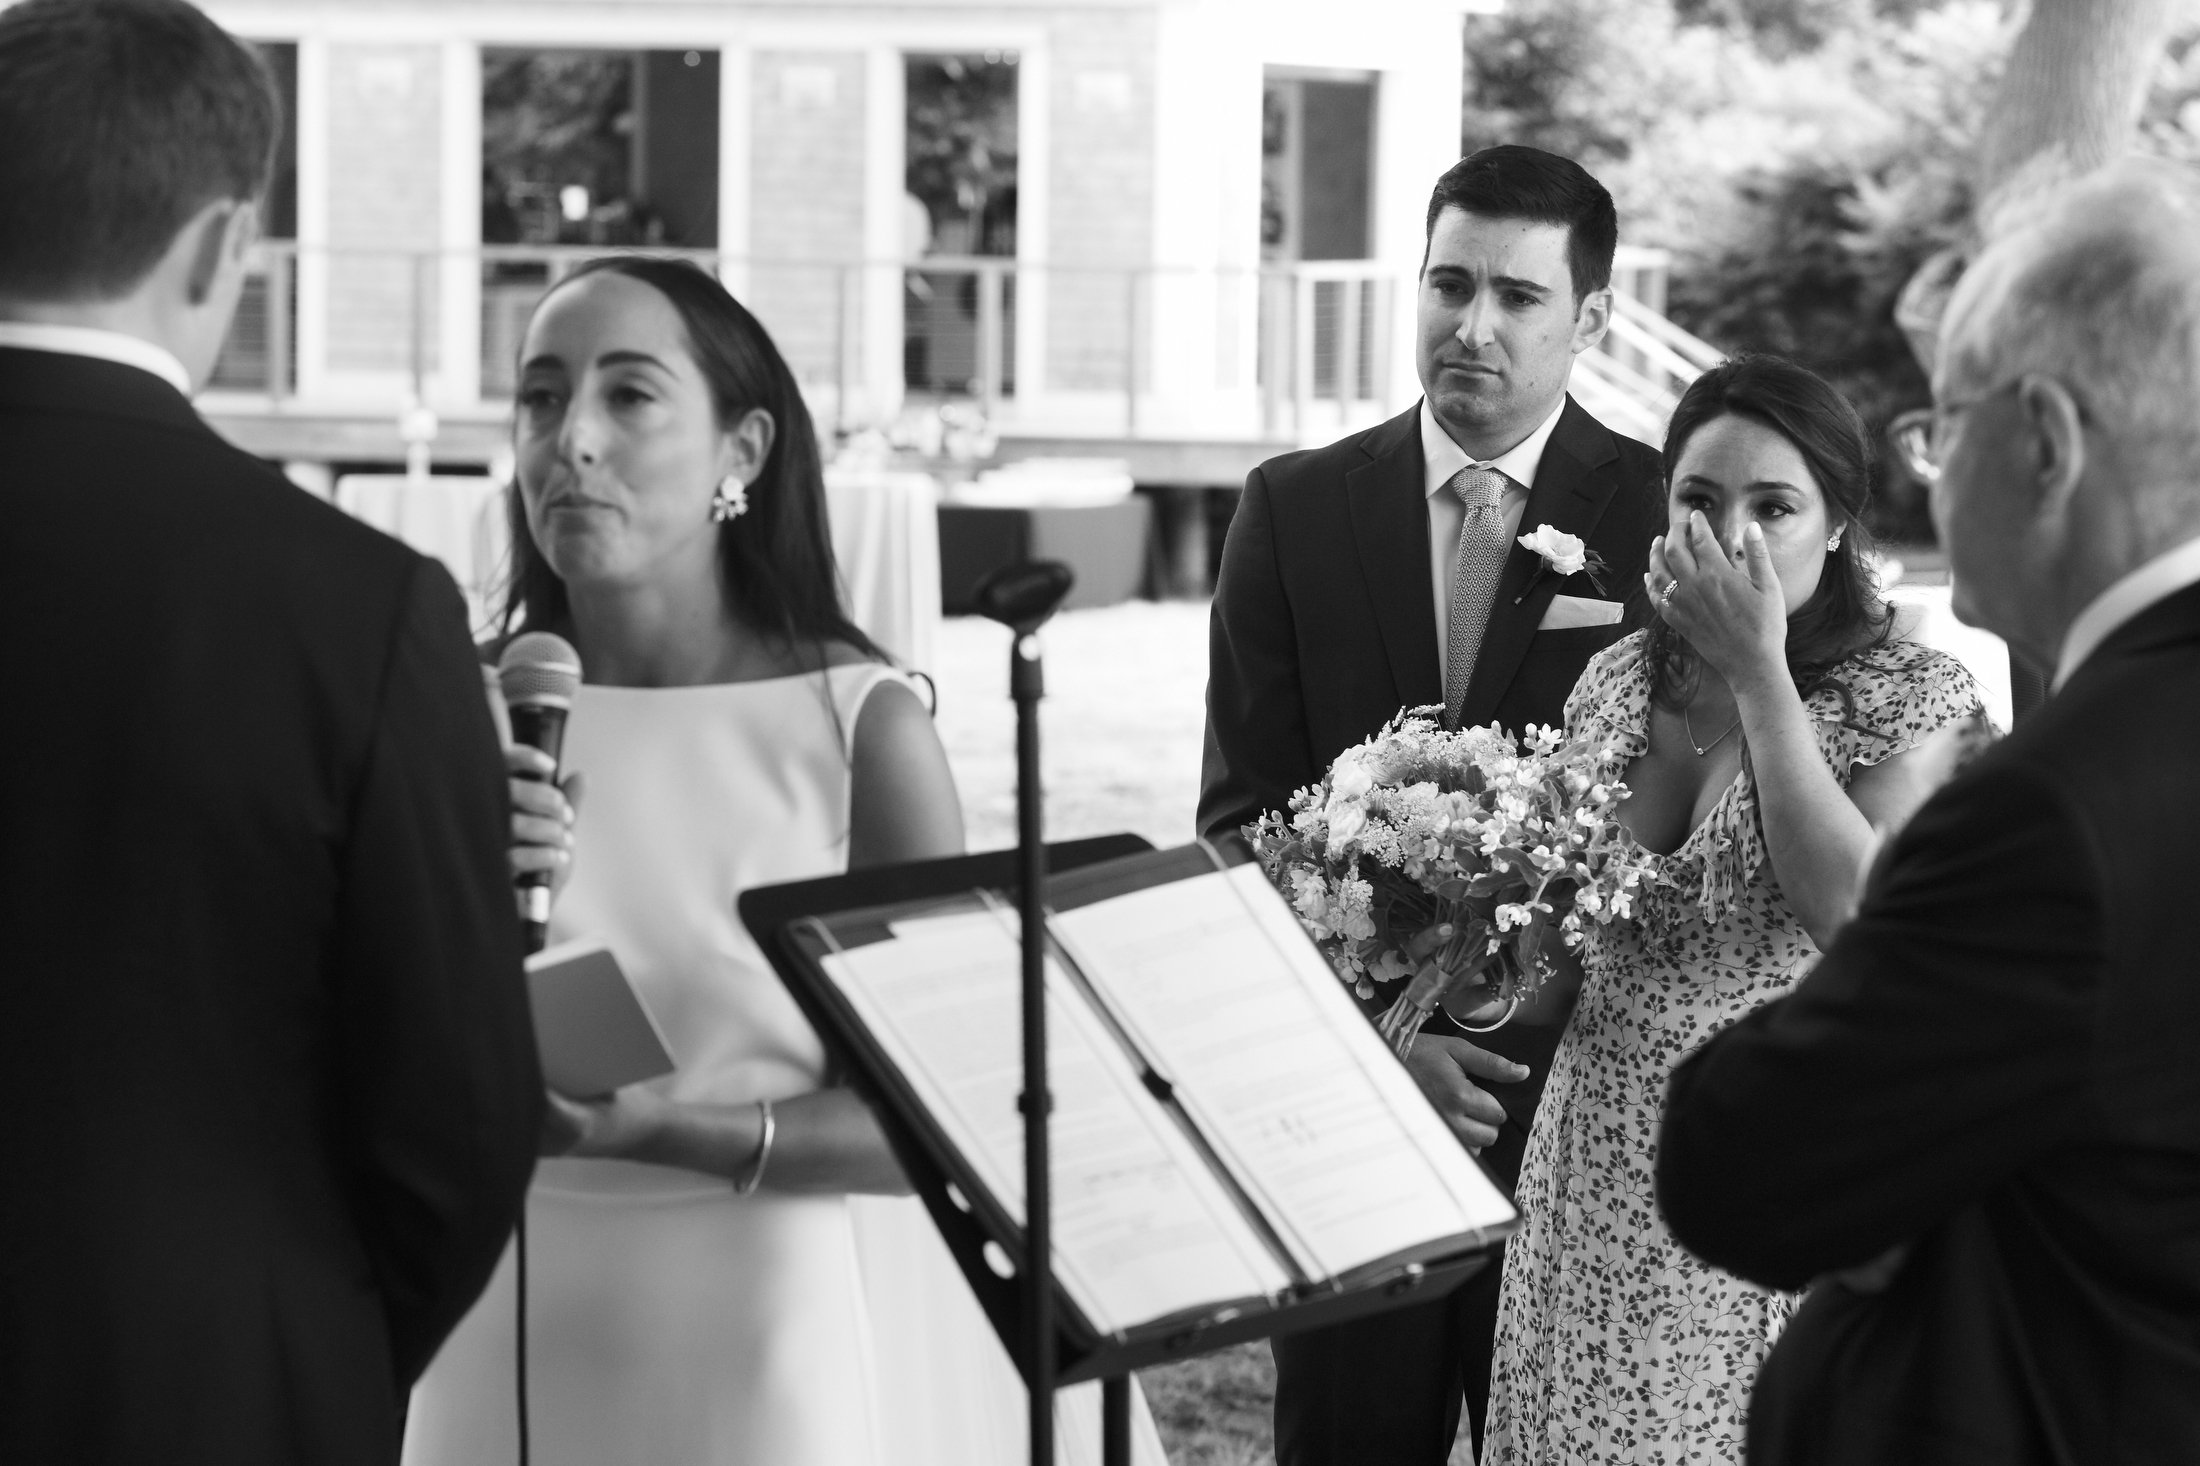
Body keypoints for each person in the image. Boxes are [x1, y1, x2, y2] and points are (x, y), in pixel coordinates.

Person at [403, 255, 1165, 1466]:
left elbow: (940, 1129)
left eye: (630, 396)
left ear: (741, 451)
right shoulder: (447, 703)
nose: (572, 440)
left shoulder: (859, 730)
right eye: (541, 398)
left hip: (755, 1318)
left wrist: (674, 1131)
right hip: (492, 1315)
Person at [0, 2, 542, 1462]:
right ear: (219, 246)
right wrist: (302, 1352)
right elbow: (464, 1113)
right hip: (208, 1384)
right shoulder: (356, 605)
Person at [1657, 160, 2200, 1466]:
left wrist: (1928, 1160)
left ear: (2047, 442)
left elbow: (1742, 1160)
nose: (1934, 479)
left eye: (1941, 432)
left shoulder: (2048, 807)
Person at [1201, 144, 1667, 1464]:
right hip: (1356, 1119)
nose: (1473, 326)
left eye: (1519, 296)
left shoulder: (1653, 514)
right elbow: (1239, 822)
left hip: (1583, 1117)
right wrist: (1375, 1054)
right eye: (1448, 283)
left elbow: (1687, 830)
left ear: (1592, 319)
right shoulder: (1290, 511)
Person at [1479, 354, 1982, 1465]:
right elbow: (1555, 960)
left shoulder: (1911, 695)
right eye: (1700, 499)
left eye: (1775, 506)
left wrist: (1757, 669)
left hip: (1758, 1162)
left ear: (1840, 525)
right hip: (1589, 1164)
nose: (1733, 534)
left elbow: (1856, 910)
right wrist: (1458, 940)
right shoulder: (1613, 682)